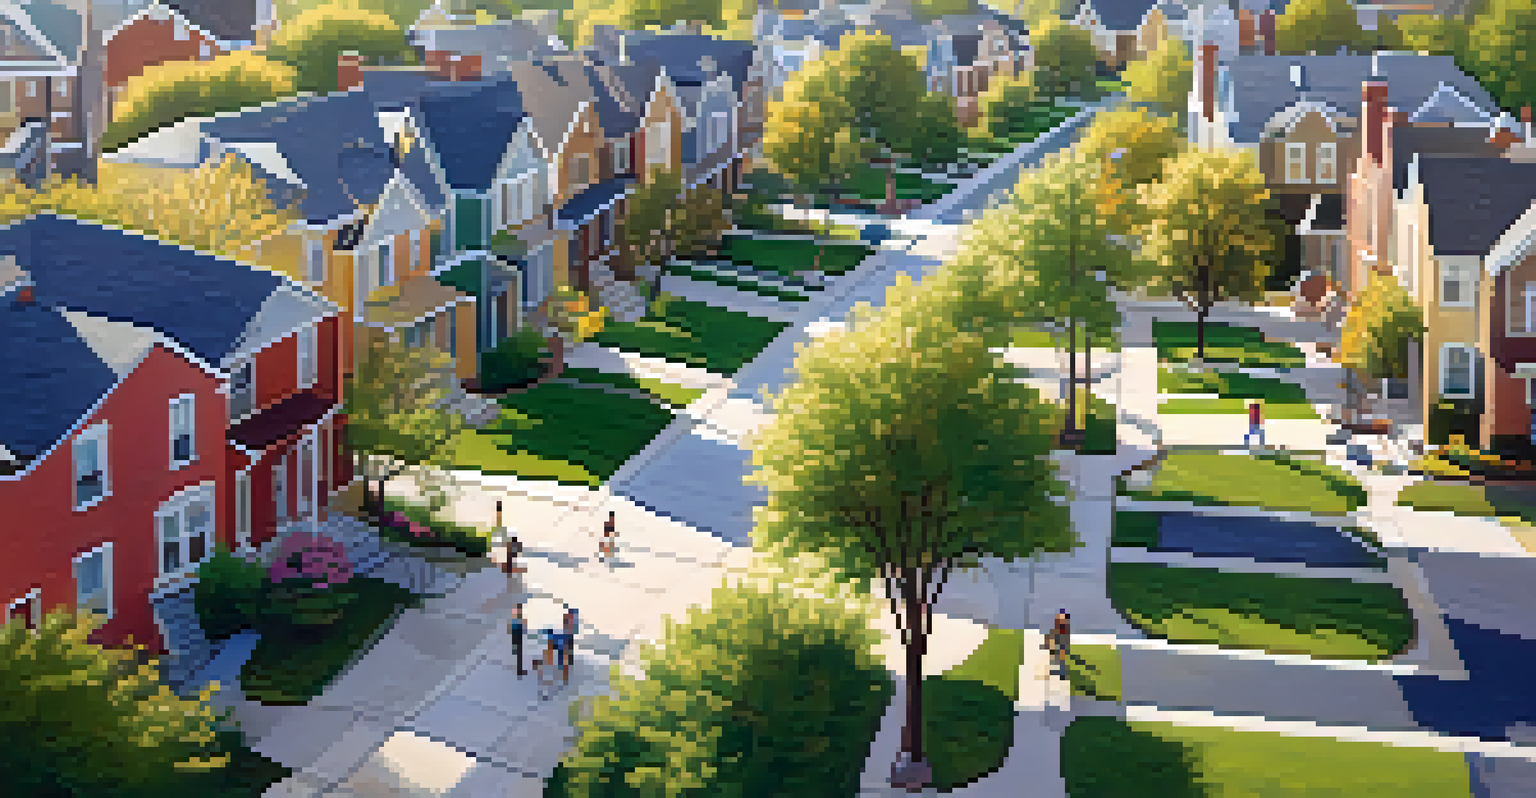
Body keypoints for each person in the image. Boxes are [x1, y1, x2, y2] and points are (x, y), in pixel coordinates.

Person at [1050, 610, 1071, 677]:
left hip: (1062, 639)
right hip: (1058, 638)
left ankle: (1062, 673)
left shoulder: (1065, 622)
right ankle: (1056, 670)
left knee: (1061, 656)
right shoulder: (1059, 621)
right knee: (1055, 655)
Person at [509, 604, 526, 677]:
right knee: (519, 654)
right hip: (518, 636)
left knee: (519, 654)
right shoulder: (518, 617)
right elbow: (520, 627)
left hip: (517, 636)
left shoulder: (515, 617)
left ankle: (519, 669)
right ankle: (519, 671)